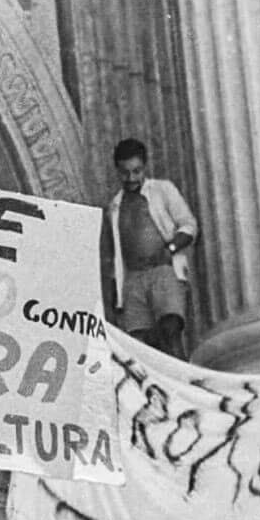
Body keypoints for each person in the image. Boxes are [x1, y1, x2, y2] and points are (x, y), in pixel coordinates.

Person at [100, 136, 199, 358]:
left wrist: (170, 249)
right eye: (125, 172)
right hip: (133, 279)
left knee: (170, 329)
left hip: (162, 270)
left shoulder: (162, 190)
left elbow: (189, 225)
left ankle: (181, 385)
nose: (131, 178)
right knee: (138, 345)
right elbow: (114, 255)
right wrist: (116, 299)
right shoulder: (114, 206)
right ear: (118, 170)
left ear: (144, 167)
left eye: (136, 171)